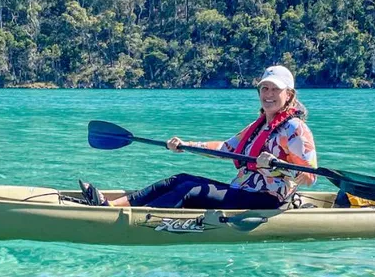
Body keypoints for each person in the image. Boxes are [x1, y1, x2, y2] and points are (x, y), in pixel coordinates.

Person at [79, 65, 317, 209]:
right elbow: (225, 147)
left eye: (276, 89)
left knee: (190, 191)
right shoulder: (258, 126)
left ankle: (136, 222)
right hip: (243, 191)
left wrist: (276, 168)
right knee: (178, 179)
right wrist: (185, 145)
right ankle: (110, 206)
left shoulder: (295, 129)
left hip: (267, 200)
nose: (269, 94)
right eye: (265, 88)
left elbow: (309, 177)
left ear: (289, 95)